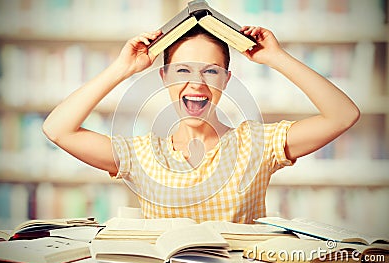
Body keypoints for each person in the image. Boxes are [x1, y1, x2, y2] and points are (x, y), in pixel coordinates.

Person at [42, 25, 360, 223]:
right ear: (163, 77)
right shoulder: (142, 154)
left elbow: (342, 115)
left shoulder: (256, 144)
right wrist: (123, 68)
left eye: (210, 71)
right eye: (182, 71)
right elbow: (57, 129)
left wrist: (275, 57)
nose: (197, 84)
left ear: (226, 80)